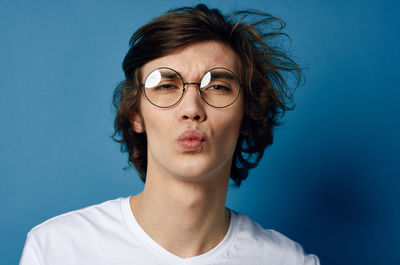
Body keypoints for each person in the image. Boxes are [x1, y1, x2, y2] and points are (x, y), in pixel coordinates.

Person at [20, 4, 320, 265]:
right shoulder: (57, 250)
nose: (191, 109)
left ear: (246, 114)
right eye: (165, 86)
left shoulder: (288, 261)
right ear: (135, 114)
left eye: (217, 87)